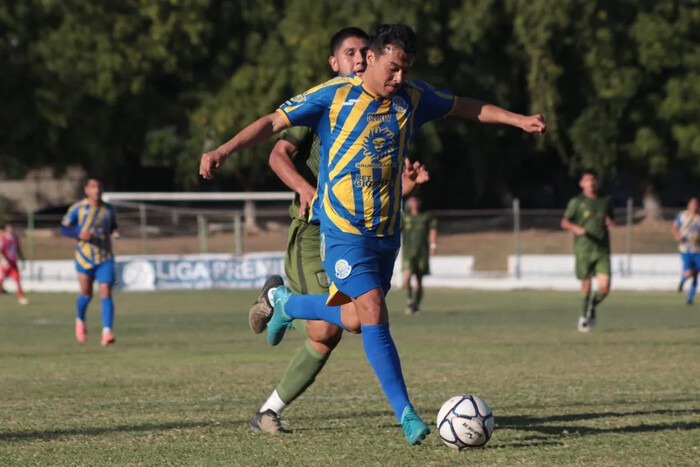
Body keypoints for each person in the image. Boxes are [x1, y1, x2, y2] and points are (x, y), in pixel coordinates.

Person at [200, 24, 545, 444]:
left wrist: (518, 120)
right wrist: (223, 150)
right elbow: (273, 124)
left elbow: (463, 106)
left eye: (405, 70)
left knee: (355, 319)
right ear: (373, 59)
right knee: (373, 310)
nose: (399, 78)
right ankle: (408, 416)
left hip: (386, 233)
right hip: (342, 230)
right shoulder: (332, 96)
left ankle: (285, 304)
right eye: (393, 68)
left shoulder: (411, 98)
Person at [248, 26, 430, 435]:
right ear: (334, 63)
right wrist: (304, 187)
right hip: (312, 229)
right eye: (350, 52)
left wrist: (407, 186)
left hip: (359, 231)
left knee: (348, 321)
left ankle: (268, 403)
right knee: (330, 328)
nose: (358, 58)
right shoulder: (325, 101)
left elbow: (373, 185)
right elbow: (277, 154)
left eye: (364, 51)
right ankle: (281, 306)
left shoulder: (384, 107)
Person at [60, 177, 119, 346]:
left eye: (99, 187)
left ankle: (107, 331)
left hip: (105, 257)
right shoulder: (78, 208)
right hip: (84, 257)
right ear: (86, 190)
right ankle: (80, 320)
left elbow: (113, 225)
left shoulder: (108, 209)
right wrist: (78, 234)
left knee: (106, 291)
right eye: (93, 187)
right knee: (86, 294)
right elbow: (63, 227)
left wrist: (116, 230)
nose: (97, 190)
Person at [560, 169, 614, 332]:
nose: (591, 183)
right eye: (587, 180)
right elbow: (564, 222)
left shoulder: (605, 201)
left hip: (602, 250)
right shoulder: (576, 202)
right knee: (586, 286)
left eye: (593, 180)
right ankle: (583, 318)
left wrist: (609, 221)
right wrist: (576, 228)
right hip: (584, 250)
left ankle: (592, 305)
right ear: (581, 184)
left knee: (604, 288)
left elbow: (609, 217)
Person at [401, 194, 437, 315]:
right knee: (406, 277)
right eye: (412, 201)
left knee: (419, 280)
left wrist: (433, 245)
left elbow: (432, 230)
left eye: (416, 201)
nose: (414, 203)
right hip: (408, 252)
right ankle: (410, 300)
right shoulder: (404, 216)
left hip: (422, 252)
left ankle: (416, 305)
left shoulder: (426, 216)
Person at [672, 197, 700, 305]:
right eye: (692, 204)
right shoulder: (682, 216)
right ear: (688, 205)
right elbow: (675, 227)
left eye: (696, 205)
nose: (694, 207)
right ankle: (682, 281)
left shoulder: (698, 218)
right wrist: (677, 235)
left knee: (696, 274)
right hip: (686, 249)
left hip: (697, 249)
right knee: (689, 273)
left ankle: (690, 299)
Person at [0, 223, 28, 305]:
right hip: (6, 263)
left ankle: (21, 297)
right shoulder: (3, 238)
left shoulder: (15, 238)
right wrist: (3, 260)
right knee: (1, 280)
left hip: (13, 263)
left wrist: (22, 258)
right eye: (9, 229)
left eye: (11, 229)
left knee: (17, 279)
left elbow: (18, 249)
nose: (10, 230)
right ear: (6, 229)